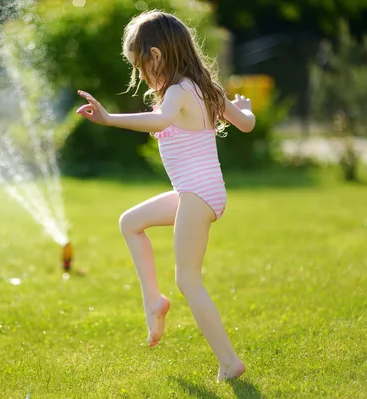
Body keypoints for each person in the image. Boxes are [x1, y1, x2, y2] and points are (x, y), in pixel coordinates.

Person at [76, 10, 255, 381]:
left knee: (188, 280)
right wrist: (246, 108)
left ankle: (228, 361)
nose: (141, 74)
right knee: (131, 222)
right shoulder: (204, 88)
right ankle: (153, 301)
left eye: (140, 66)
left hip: (197, 195)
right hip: (197, 193)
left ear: (156, 56)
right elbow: (246, 124)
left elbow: (160, 121)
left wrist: (110, 119)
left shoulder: (177, 92)